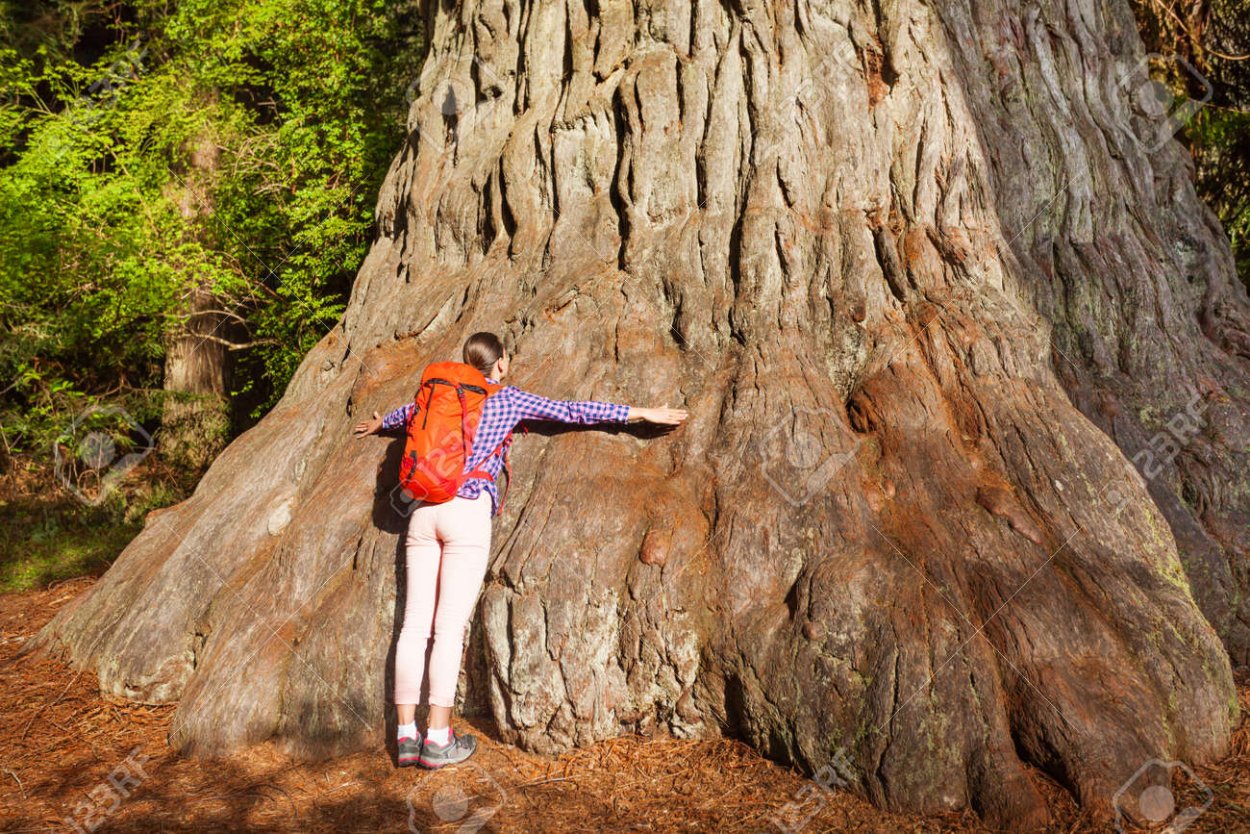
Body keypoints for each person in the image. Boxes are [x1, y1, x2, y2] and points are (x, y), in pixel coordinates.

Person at [353, 332, 688, 769]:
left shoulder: (438, 395)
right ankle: (437, 736)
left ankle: (405, 737)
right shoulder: (506, 399)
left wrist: (383, 423)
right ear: (501, 364)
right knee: (449, 629)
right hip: (467, 514)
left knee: (414, 627)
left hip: (423, 510)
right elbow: (571, 412)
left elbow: (407, 416)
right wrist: (639, 412)